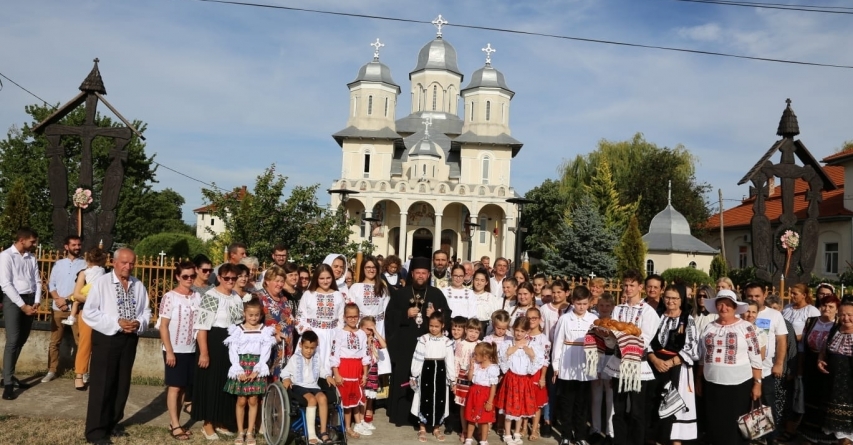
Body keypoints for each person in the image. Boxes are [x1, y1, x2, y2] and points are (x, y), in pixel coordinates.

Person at [82, 248, 151, 444]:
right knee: (103, 384)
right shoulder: (102, 283)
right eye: (124, 262)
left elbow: (146, 310)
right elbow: (90, 312)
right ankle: (95, 431)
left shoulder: (138, 285)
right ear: (114, 262)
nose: (128, 266)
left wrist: (139, 322)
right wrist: (116, 322)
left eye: (131, 263)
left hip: (130, 338)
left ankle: (112, 423)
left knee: (122, 383)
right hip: (108, 337)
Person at [384, 257, 452, 428]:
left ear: (428, 274)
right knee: (404, 376)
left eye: (424, 273)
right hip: (405, 345)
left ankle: (427, 417)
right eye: (417, 273)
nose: (420, 276)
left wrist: (435, 314)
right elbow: (390, 317)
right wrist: (405, 313)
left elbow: (447, 316)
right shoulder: (401, 293)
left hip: (429, 348)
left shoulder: (436, 294)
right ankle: (402, 416)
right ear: (412, 274)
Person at [696, 289, 763, 445]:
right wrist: (698, 379)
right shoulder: (709, 327)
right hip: (712, 383)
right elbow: (702, 356)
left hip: (738, 385)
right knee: (715, 422)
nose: (724, 308)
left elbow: (755, 357)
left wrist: (757, 383)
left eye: (728, 305)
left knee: (736, 425)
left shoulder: (746, 327)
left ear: (735, 307)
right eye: (720, 304)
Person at [605, 269, 661, 445]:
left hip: (637, 364)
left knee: (637, 410)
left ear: (640, 287)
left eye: (632, 285)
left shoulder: (648, 312)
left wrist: (620, 336)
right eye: (626, 285)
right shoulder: (618, 309)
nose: (628, 288)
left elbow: (643, 340)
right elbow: (611, 342)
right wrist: (607, 336)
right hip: (618, 363)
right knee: (618, 408)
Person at [191, 263, 244, 439]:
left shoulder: (236, 297)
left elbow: (239, 322)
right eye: (226, 278)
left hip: (231, 343)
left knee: (226, 383)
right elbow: (202, 326)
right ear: (219, 278)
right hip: (213, 341)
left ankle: (221, 420)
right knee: (210, 383)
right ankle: (207, 424)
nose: (230, 281)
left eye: (233, 278)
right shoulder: (211, 296)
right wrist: (204, 352)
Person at [648, 284, 699, 445]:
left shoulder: (687, 319)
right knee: (654, 401)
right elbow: (646, 339)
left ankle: (675, 439)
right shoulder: (656, 316)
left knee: (673, 404)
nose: (671, 301)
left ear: (681, 299)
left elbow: (691, 346)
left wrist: (669, 363)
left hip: (677, 368)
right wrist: (655, 360)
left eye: (675, 298)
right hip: (654, 366)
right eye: (668, 297)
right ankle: (657, 439)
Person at [157, 260, 201, 441]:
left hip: (190, 349)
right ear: (177, 277)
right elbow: (163, 326)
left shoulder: (197, 296)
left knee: (183, 387)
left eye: (192, 275)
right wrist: (169, 351)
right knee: (174, 387)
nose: (189, 279)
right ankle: (175, 425)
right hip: (174, 348)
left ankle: (176, 422)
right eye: (185, 276)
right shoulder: (170, 297)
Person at [223, 299, 276, 445]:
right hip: (241, 366)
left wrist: (257, 370)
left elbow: (266, 352)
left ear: (261, 315)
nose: (253, 318)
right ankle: (240, 432)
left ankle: (251, 431)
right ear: (244, 314)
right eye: (250, 315)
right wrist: (238, 369)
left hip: (255, 368)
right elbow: (233, 351)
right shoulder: (237, 330)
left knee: (253, 400)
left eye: (256, 315)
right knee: (241, 400)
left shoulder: (264, 331)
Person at [552, 286, 598, 445]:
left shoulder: (593, 319)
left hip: (585, 366)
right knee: (567, 401)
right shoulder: (565, 319)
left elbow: (598, 344)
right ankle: (565, 434)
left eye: (585, 304)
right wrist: (556, 365)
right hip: (567, 364)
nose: (581, 307)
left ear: (589, 303)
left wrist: (595, 366)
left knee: (582, 403)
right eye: (578, 304)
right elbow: (558, 342)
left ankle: (581, 436)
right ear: (573, 302)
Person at [744, 283, 788, 445]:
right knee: (747, 404)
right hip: (744, 371)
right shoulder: (741, 313)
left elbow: (782, 340)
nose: (753, 299)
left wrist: (779, 363)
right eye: (750, 296)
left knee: (768, 404)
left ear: (764, 295)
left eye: (757, 296)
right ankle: (750, 435)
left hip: (767, 369)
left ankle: (771, 437)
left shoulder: (774, 315)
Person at [0, 227, 40, 399]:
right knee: (13, 340)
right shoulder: (6, 256)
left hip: (30, 300)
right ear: (22, 240)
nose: (35, 244)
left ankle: (8, 374)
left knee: (22, 339)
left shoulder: (31, 257)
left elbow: (37, 280)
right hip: (14, 301)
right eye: (32, 241)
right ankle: (8, 383)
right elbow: (5, 284)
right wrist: (22, 305)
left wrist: (36, 300)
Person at [797, 292, 840, 444]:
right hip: (810, 364)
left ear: (837, 309)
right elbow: (802, 346)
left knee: (826, 398)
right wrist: (801, 366)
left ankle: (826, 434)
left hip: (829, 366)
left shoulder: (838, 324)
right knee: (809, 397)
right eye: (824, 305)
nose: (826, 309)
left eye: (831, 306)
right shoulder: (811, 321)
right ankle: (809, 433)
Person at [497, 316, 544, 445]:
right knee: (509, 407)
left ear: (527, 331)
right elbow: (503, 365)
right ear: (513, 329)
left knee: (520, 408)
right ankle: (507, 434)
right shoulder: (507, 344)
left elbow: (537, 365)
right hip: (511, 379)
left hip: (524, 380)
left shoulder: (532, 345)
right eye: (517, 330)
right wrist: (508, 353)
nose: (519, 333)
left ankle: (517, 433)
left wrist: (532, 355)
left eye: (522, 331)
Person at [45, 235, 85, 384]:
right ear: (66, 247)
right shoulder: (58, 264)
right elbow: (51, 284)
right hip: (58, 308)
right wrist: (58, 300)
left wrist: (67, 299)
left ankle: (82, 372)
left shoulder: (85, 265)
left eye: (79, 245)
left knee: (81, 342)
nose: (77, 247)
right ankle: (52, 370)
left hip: (77, 309)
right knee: (55, 342)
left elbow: (84, 288)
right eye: (74, 245)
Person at [411, 312, 456, 443]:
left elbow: (450, 361)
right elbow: (418, 357)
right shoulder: (424, 339)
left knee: (440, 399)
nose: (433, 328)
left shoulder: (447, 342)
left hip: (441, 374)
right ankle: (422, 427)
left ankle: (436, 428)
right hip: (426, 372)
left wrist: (452, 379)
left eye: (437, 326)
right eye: (431, 326)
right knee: (424, 399)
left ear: (442, 325)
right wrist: (414, 375)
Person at [281, 331, 333, 445]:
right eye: (306, 347)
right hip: (299, 386)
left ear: (316, 347)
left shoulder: (316, 357)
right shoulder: (295, 358)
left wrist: (328, 376)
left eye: (312, 348)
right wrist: (286, 378)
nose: (309, 351)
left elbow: (321, 370)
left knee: (323, 398)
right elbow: (285, 371)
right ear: (301, 345)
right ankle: (311, 435)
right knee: (312, 400)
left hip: (314, 385)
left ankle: (323, 432)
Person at [328, 303, 371, 438]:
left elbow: (364, 355)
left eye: (355, 317)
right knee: (347, 401)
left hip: (357, 369)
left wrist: (364, 374)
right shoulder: (339, 334)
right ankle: (347, 427)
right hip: (345, 369)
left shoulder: (362, 334)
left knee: (356, 398)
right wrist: (336, 373)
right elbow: (334, 355)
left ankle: (358, 422)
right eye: (350, 317)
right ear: (345, 317)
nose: (353, 319)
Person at [69, 247, 108, 391]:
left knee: (102, 346)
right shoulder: (83, 274)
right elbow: (77, 294)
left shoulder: (106, 274)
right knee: (85, 344)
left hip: (103, 314)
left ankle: (97, 374)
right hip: (87, 313)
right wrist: (92, 300)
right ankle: (79, 375)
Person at [816, 297, 853, 445]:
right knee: (836, 428)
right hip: (833, 384)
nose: (846, 318)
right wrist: (820, 360)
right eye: (842, 314)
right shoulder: (834, 330)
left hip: (850, 385)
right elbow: (823, 350)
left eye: (850, 314)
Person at [296, 264, 346, 366]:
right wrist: (309, 334)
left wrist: (338, 337)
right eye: (322, 278)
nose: (325, 281)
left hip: (332, 337)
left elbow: (342, 320)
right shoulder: (308, 294)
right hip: (312, 336)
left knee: (329, 369)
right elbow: (300, 317)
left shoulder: (338, 295)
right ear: (316, 279)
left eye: (328, 278)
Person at [254, 265, 295, 380]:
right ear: (267, 281)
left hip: (285, 348)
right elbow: (254, 323)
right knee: (269, 380)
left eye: (282, 281)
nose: (280, 284)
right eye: (276, 281)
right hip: (269, 348)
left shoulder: (283, 297)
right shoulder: (259, 297)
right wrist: (273, 336)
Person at [589, 293, 616, 444]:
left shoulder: (615, 323)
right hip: (596, 360)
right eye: (601, 305)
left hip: (611, 360)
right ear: (597, 306)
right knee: (596, 397)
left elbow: (614, 345)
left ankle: (610, 432)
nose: (604, 308)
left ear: (612, 307)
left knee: (610, 398)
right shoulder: (593, 322)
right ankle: (595, 429)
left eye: (607, 306)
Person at [464, 342, 500, 445]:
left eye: (476, 354)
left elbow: (493, 386)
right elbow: (470, 378)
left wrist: (490, 402)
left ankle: (483, 440)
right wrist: (471, 367)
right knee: (471, 418)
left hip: (485, 395)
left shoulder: (492, 368)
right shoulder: (476, 365)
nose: (474, 356)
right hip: (474, 393)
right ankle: (469, 438)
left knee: (484, 420)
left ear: (485, 357)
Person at [454, 318, 482, 442]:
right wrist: (454, 382)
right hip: (463, 378)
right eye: (471, 330)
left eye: (476, 332)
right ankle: (464, 430)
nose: (473, 334)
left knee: (475, 404)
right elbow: (456, 362)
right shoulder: (461, 344)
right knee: (464, 406)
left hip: (477, 379)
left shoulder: (480, 344)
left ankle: (476, 429)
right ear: (466, 330)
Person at [348, 256, 391, 336]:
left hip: (379, 327)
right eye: (368, 267)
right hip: (360, 326)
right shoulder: (355, 287)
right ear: (363, 269)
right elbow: (350, 310)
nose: (371, 270)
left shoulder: (383, 288)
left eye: (374, 267)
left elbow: (387, 311)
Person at [525, 307, 550, 441]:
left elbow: (545, 360)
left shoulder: (543, 339)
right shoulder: (523, 335)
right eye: (528, 318)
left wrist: (542, 377)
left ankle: (534, 428)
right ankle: (523, 426)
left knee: (536, 403)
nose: (531, 321)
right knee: (524, 400)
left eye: (534, 318)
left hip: (536, 374)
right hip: (523, 373)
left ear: (539, 319)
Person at [359, 316, 387, 431]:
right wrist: (367, 342)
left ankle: (368, 419)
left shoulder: (375, 340)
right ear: (360, 328)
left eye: (372, 329)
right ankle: (360, 420)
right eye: (367, 329)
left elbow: (384, 345)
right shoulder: (360, 339)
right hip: (364, 371)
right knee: (364, 396)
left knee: (371, 397)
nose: (369, 332)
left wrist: (375, 331)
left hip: (373, 372)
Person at [472, 268, 502, 337]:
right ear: (473, 280)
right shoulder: (468, 295)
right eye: (477, 280)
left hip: (485, 330)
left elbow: (496, 317)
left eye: (482, 280)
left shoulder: (491, 298)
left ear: (486, 282)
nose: (479, 283)